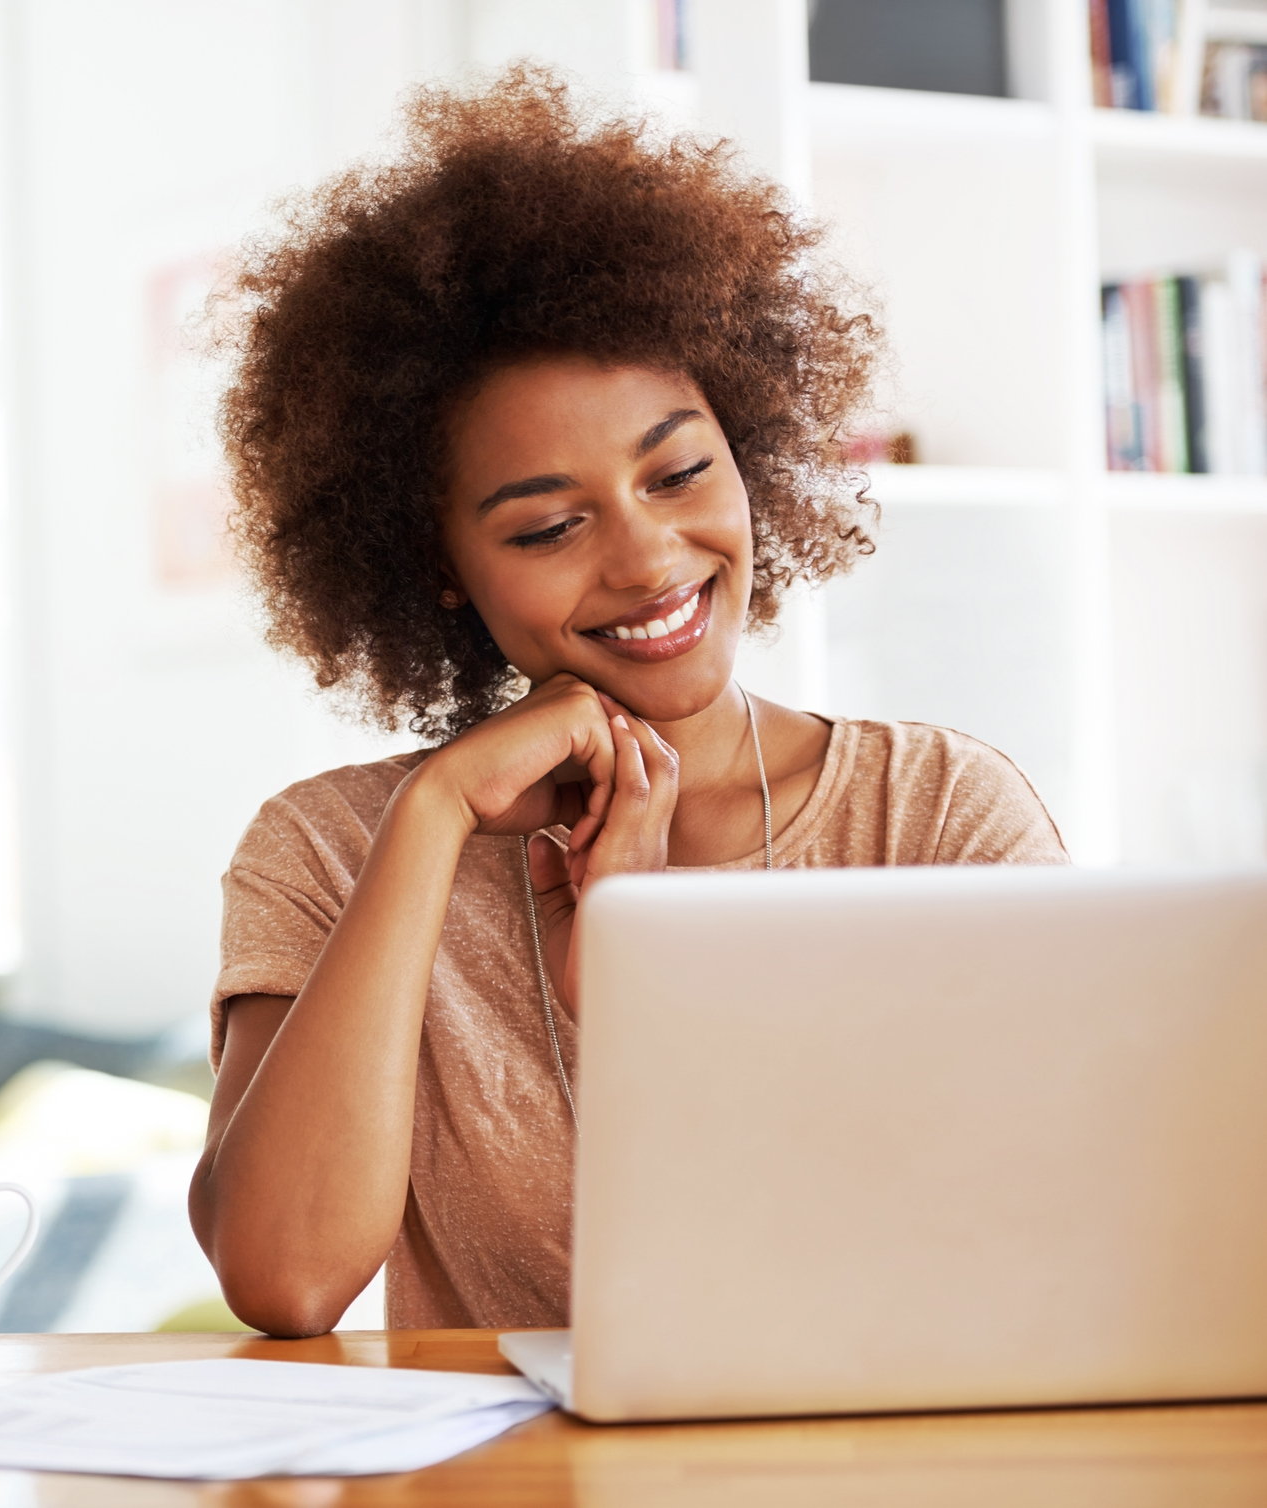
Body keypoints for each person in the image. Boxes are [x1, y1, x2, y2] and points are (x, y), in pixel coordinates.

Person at [187, 69, 1067, 1339]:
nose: (650, 559)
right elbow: (285, 1276)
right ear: (432, 563)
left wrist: (647, 997)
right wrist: (431, 816)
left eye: (678, 473)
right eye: (548, 524)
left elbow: (1037, 1234)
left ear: (749, 452)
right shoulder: (326, 853)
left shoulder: (933, 815)